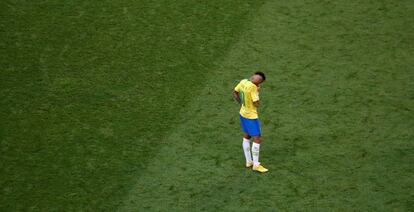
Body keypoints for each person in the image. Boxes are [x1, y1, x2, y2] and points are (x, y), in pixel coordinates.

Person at [232, 72, 268, 173]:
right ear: (259, 82)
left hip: (242, 113)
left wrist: (241, 103)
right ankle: (256, 165)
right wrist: (257, 92)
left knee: (247, 136)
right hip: (251, 116)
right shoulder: (253, 88)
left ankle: (248, 161)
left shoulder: (243, 81)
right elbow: (256, 104)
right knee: (257, 138)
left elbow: (235, 92)